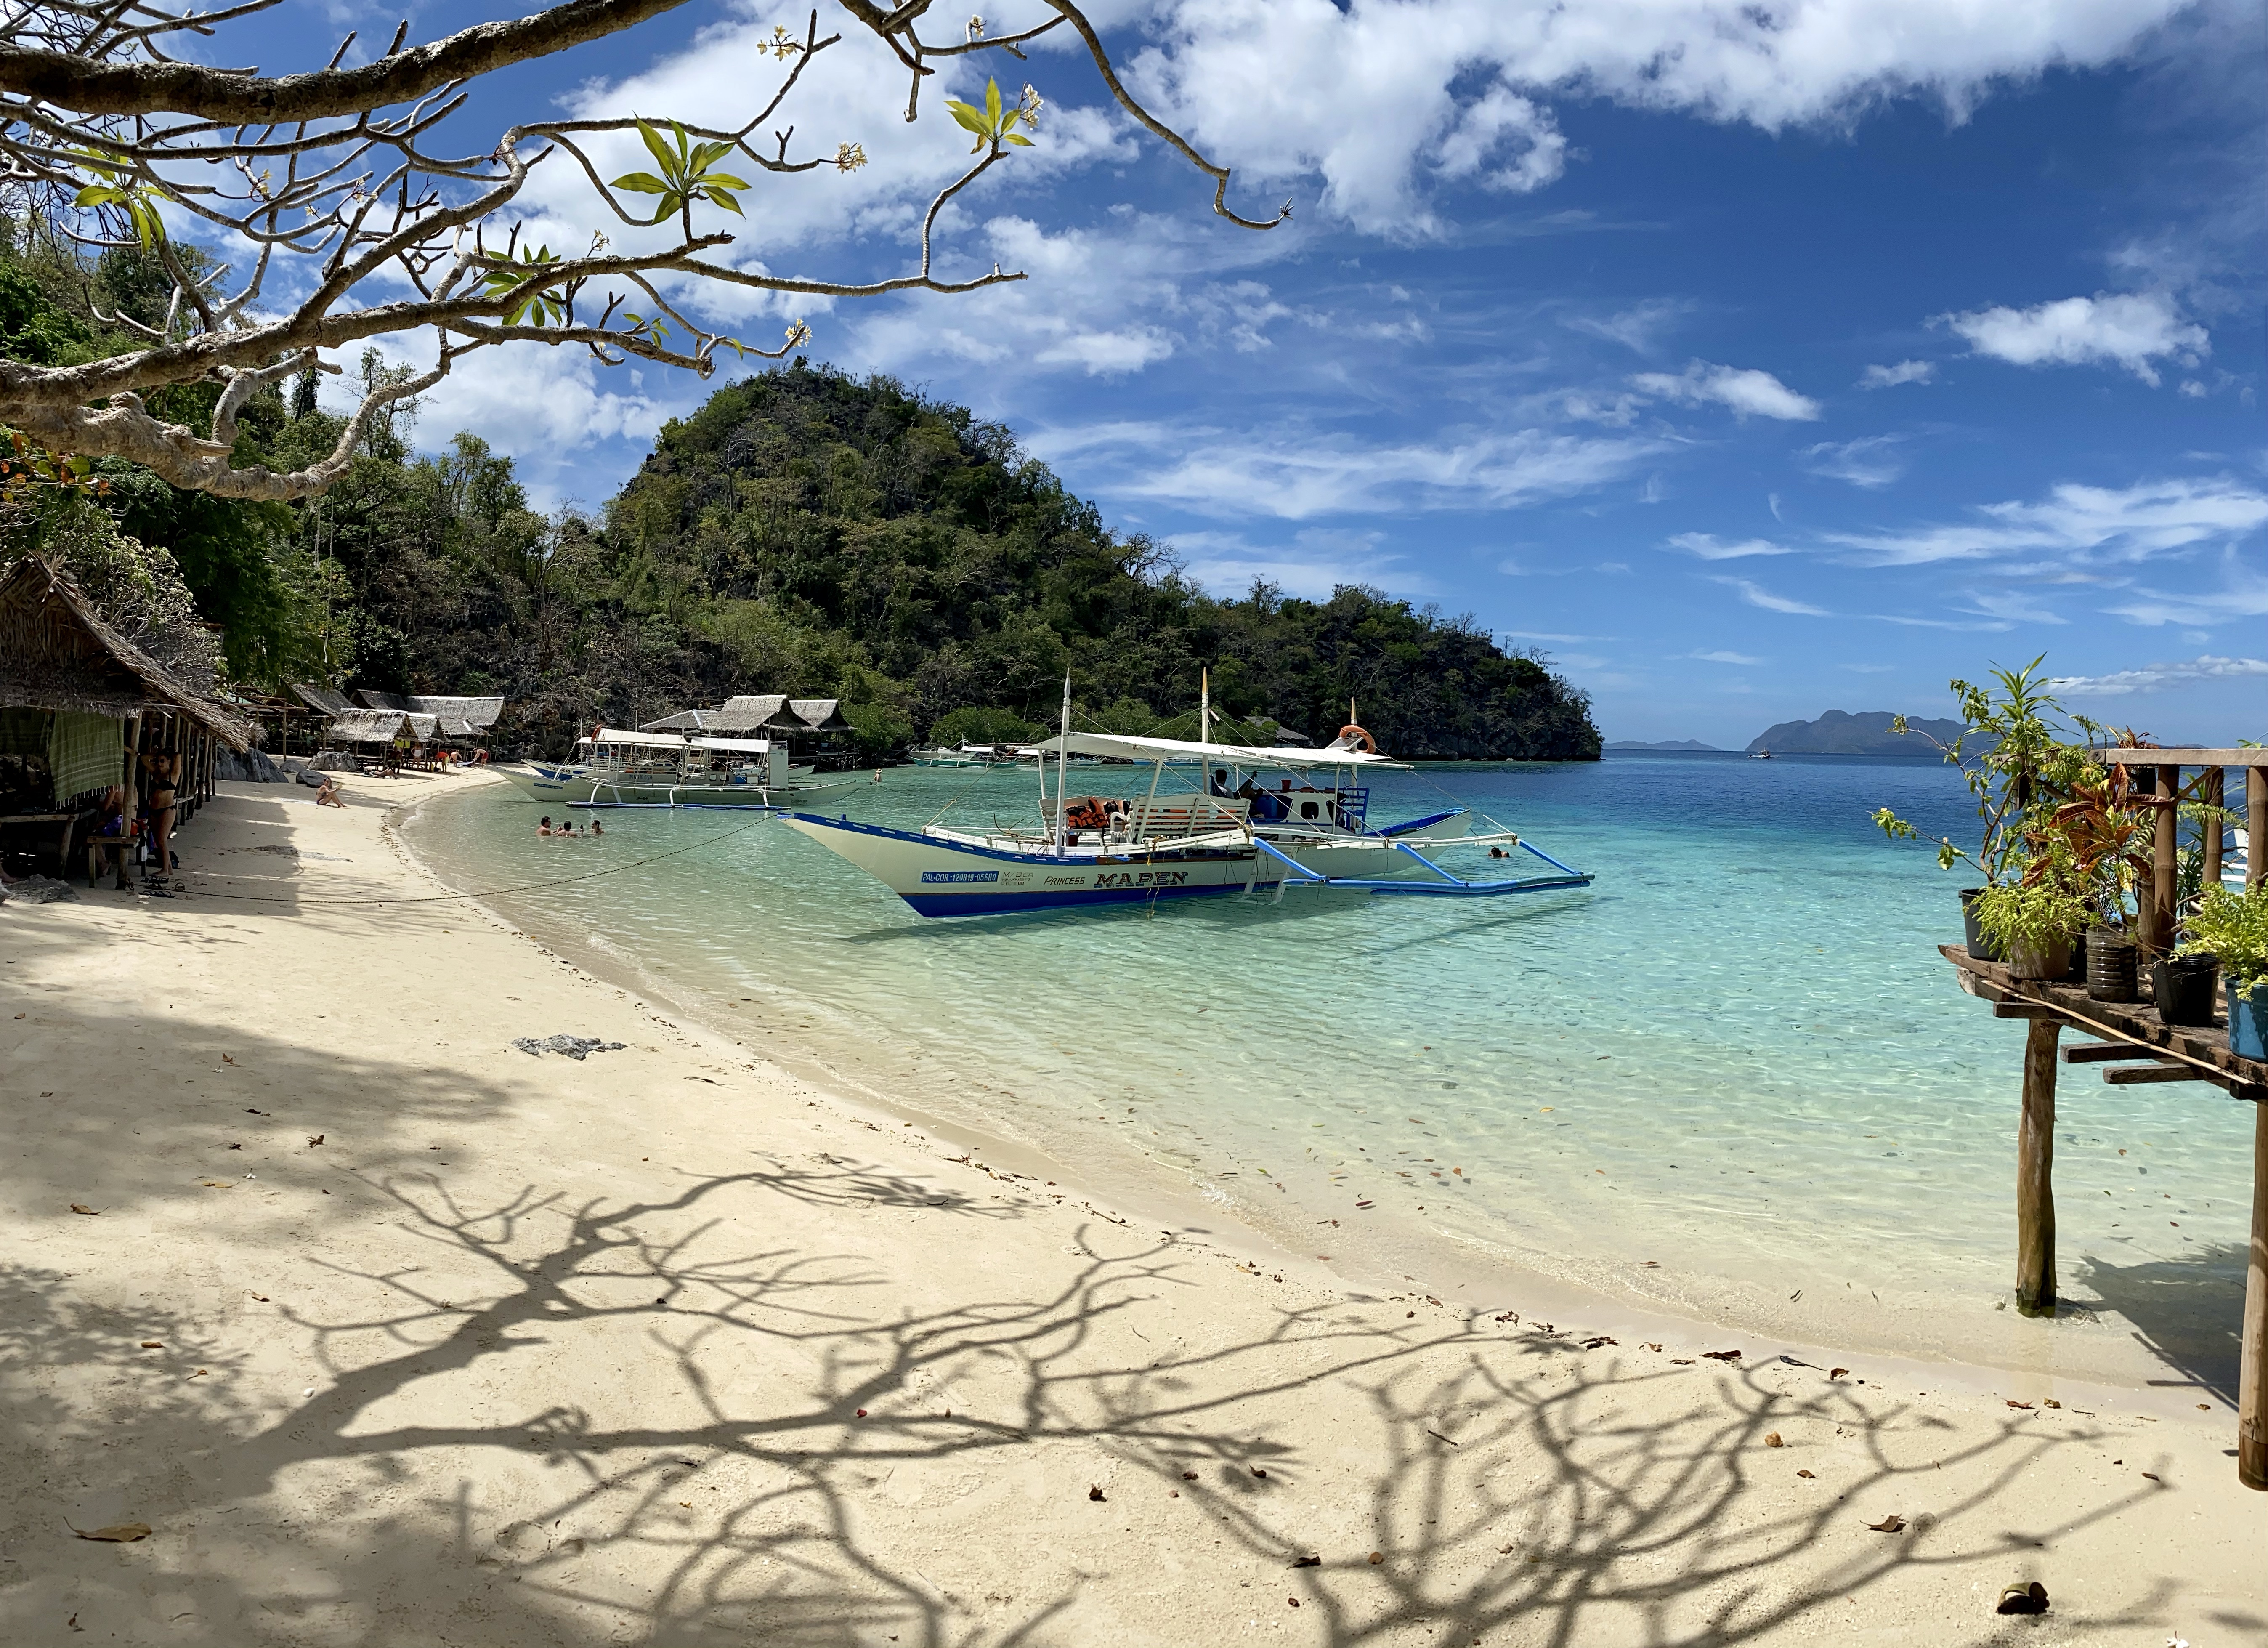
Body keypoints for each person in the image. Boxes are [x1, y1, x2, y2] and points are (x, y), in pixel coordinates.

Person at [140, 746, 180, 879]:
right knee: (158, 840)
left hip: (167, 809)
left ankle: (164, 870)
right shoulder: (156, 772)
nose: (159, 764)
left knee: (162, 840)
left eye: (163, 761)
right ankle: (168, 868)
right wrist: (156, 754)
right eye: (157, 761)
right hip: (153, 810)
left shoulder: (173, 774)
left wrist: (170, 752)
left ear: (169, 761)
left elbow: (178, 756)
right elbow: (144, 759)